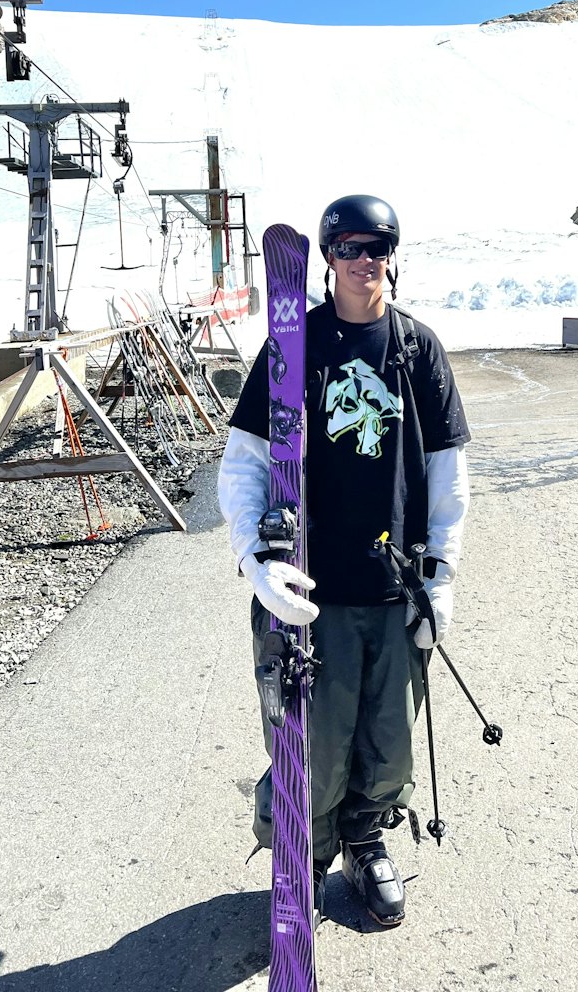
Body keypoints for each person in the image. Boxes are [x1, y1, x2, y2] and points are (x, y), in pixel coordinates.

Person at [217, 194, 471, 928]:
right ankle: (302, 855)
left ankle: (365, 842)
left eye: (380, 247)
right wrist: (255, 563)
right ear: (327, 258)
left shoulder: (416, 348)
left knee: (388, 749)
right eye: (352, 248)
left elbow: (447, 466)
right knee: (313, 752)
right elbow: (245, 463)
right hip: (309, 595)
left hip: (394, 592)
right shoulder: (295, 347)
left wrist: (441, 573)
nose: (368, 261)